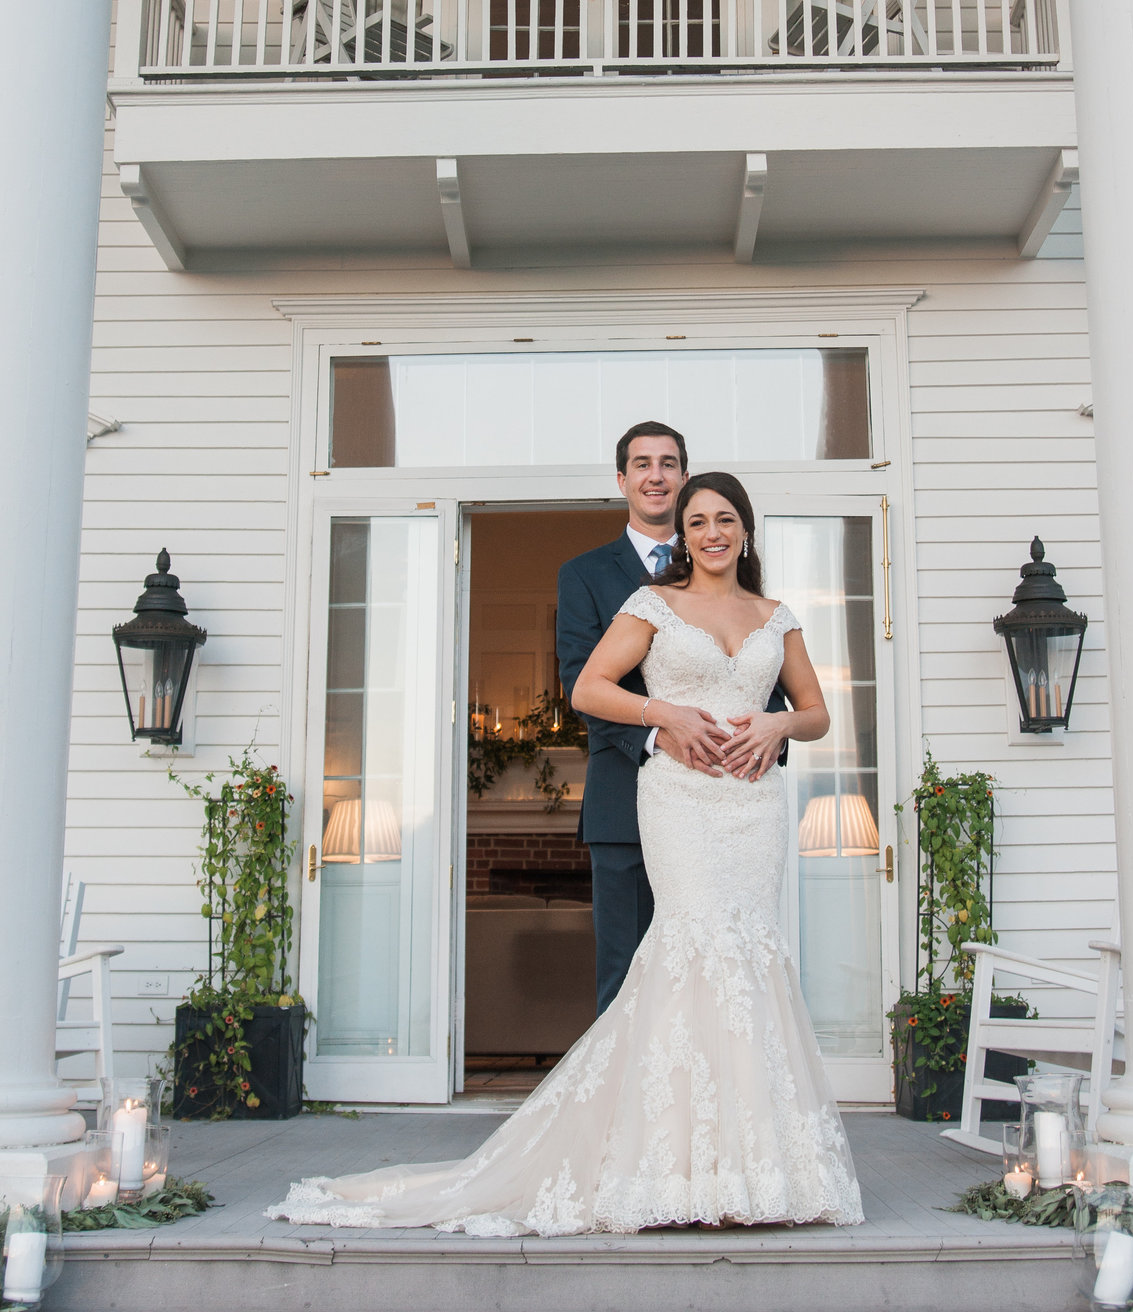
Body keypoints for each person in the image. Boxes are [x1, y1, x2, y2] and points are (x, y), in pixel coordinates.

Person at [268, 471, 863, 1236]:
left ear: (746, 530)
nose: (712, 532)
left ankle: (749, 1168)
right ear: (681, 534)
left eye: (725, 519)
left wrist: (778, 728)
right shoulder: (653, 604)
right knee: (688, 951)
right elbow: (588, 687)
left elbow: (814, 713)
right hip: (681, 800)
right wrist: (664, 713)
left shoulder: (775, 616)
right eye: (698, 521)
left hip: (752, 808)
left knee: (748, 956)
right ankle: (664, 1164)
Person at [556, 421, 788, 1014]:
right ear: (622, 480)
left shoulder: (726, 564)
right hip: (627, 800)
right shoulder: (585, 573)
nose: (655, 476)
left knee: (723, 972)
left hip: (732, 797)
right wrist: (661, 731)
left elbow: (757, 665)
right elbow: (579, 680)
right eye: (641, 464)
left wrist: (769, 731)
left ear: (685, 479)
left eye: (667, 464)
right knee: (629, 981)